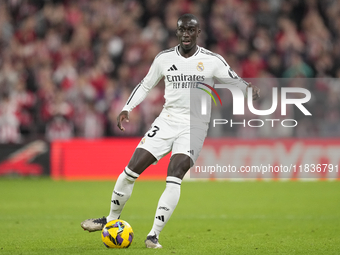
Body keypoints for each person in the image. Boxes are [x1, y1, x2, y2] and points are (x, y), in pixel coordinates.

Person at [81, 13, 260, 249]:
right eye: (182, 29)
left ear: (198, 33)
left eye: (190, 30)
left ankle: (153, 235)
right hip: (166, 121)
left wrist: (249, 90)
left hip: (194, 126)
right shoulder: (164, 59)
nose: (186, 34)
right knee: (130, 171)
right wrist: (127, 108)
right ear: (177, 32)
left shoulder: (213, 60)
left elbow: (235, 81)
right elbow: (146, 84)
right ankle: (111, 219)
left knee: (175, 174)